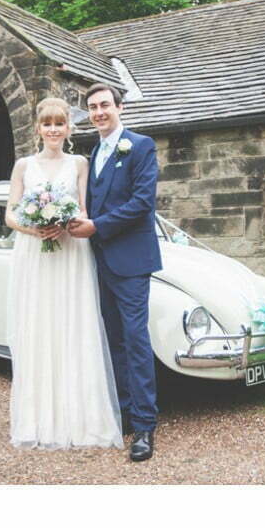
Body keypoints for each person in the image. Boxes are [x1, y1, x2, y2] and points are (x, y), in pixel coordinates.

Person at [4, 97, 122, 450]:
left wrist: (65, 223)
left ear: (68, 129)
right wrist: (35, 228)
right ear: (38, 129)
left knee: (73, 324)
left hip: (71, 252)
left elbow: (84, 209)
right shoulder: (24, 166)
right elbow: (10, 214)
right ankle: (39, 420)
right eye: (47, 124)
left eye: (59, 124)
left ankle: (80, 421)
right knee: (40, 326)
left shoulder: (79, 163)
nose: (53, 130)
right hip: (36, 255)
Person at [68, 83, 161, 462]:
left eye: (105, 105)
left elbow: (142, 203)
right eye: (93, 107)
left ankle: (145, 426)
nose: (99, 112)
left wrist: (97, 226)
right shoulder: (94, 153)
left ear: (120, 107)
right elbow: (88, 204)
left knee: (136, 341)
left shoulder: (140, 146)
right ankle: (123, 413)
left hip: (132, 260)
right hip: (100, 260)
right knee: (115, 341)